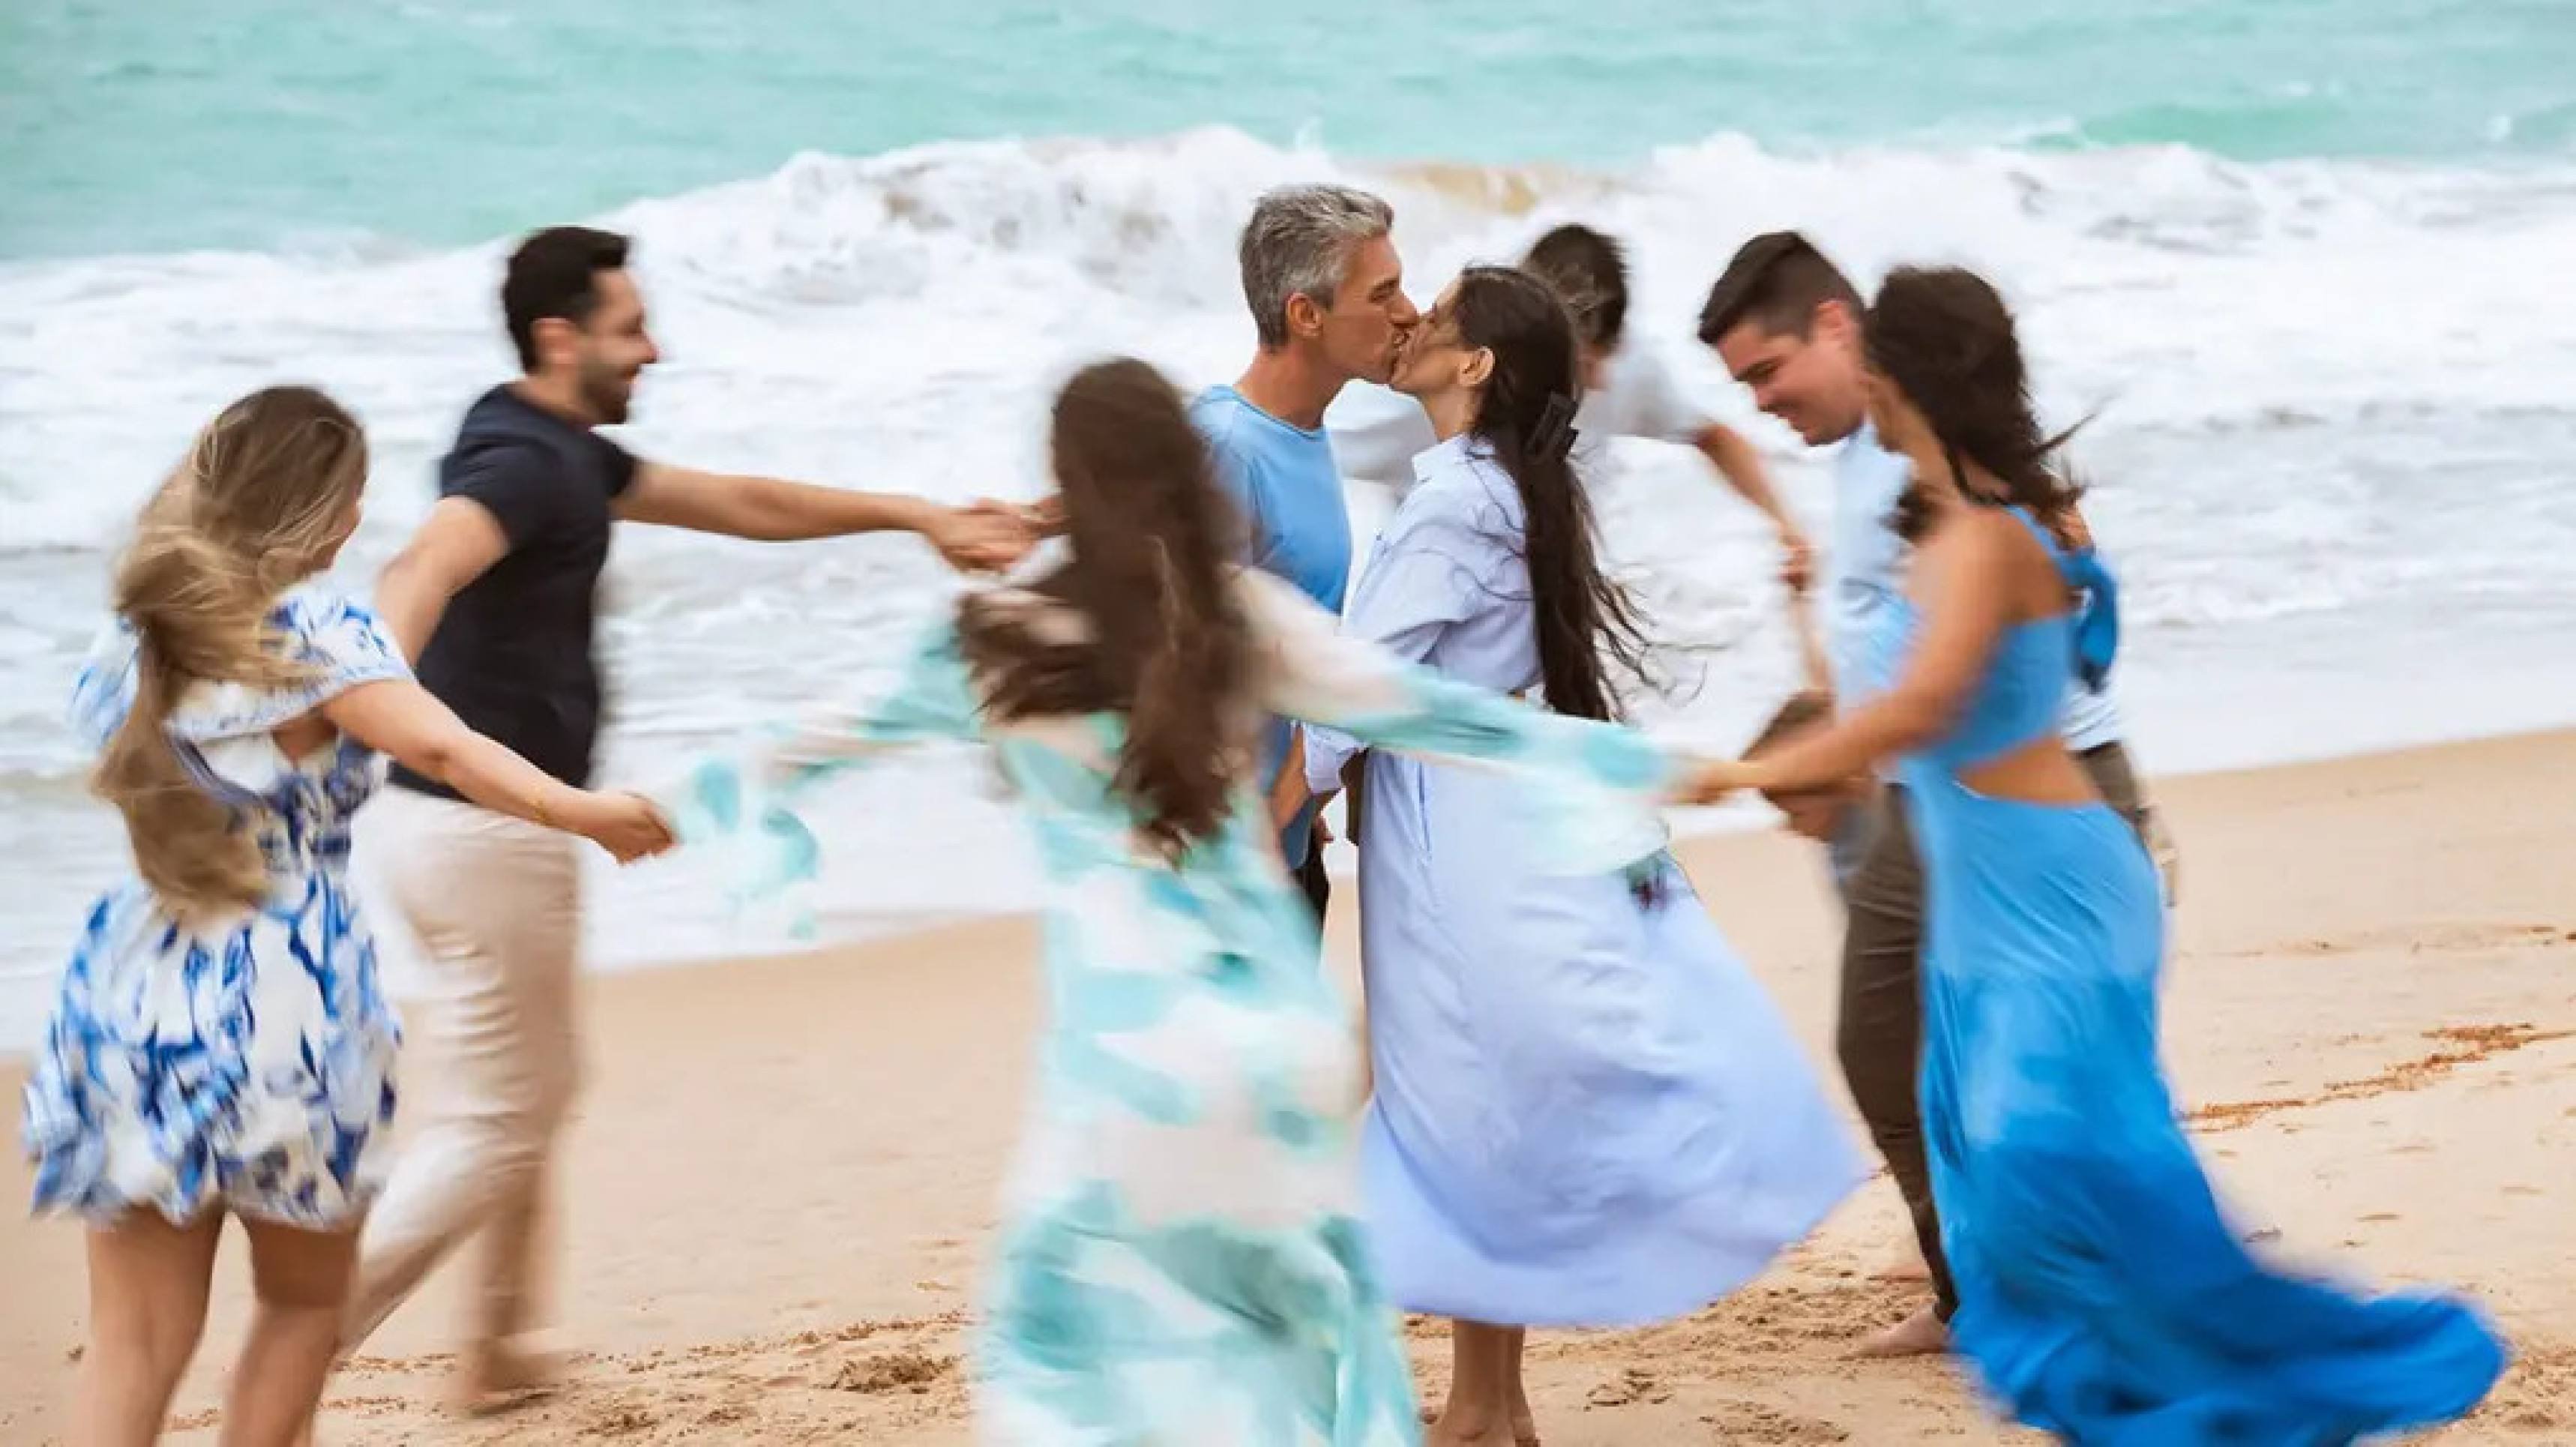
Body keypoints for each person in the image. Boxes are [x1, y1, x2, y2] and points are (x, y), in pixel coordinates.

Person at [651, 358, 1705, 1446]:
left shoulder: (996, 634)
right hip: (1277, 1049)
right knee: (1286, 1373)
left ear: (1067, 482)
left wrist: (644, 811)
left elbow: (808, 745)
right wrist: (1651, 767)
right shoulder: (1243, 615)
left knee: (1067, 1371)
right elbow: (1437, 711)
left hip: (1131, 1067)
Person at [1682, 267, 2504, 1441]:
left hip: (2053, 885)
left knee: (2044, 1148)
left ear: (1892, 372)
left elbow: (1918, 710)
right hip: (1982, 893)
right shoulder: (1948, 520)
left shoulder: (1986, 538)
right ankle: (2132, 1385)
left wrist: (1744, 774)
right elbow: (1893, 702)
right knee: (2007, 1172)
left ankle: (2246, 1363)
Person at [343, 225, 1035, 1403]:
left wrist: (917, 515)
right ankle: (306, 1334)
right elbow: (415, 571)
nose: (653, 350)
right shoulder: (524, 468)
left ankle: (497, 1349)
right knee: (506, 1116)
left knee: (522, 1092)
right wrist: (387, 697)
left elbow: (742, 501)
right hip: (488, 830)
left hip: (453, 830)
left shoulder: (544, 439)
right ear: (560, 339)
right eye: (630, 329)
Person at [18, 387, 668, 1447]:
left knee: (133, 1340)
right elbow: (446, 747)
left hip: (133, 987)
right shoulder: (320, 627)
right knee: (303, 1307)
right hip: (287, 993)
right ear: (336, 514)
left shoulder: (131, 640)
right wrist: (585, 810)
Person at [1285, 266, 1861, 1447]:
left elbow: (1358, 690)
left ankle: (1482, 1406)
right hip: (1495, 809)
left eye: (1431, 317)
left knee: (1453, 1094)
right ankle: (1489, 1403)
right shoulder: (1510, 485)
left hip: (1455, 827)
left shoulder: (1453, 503)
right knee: (1470, 1095)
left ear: (1475, 366)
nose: (1408, 326)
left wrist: (1279, 809)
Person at [1694, 231, 2164, 1355]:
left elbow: (1955, 676)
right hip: (1922, 801)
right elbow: (1883, 654)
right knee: (1886, 1045)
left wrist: (1754, 770)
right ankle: (1976, 1290)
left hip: (2027, 802)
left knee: (2030, 1072)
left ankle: (2062, 1292)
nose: (1762, 404)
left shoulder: (1949, 478)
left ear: (1843, 332)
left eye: (1768, 372)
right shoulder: (1869, 459)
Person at [1334, 223, 1813, 585]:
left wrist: (1786, 527)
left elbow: (1713, 437)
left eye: (1602, 361)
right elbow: (1292, 458)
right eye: (1580, 366)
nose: (1597, 383)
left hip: (1552, 609)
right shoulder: (1419, 384)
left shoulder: (1624, 365)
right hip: (1437, 602)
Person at [1193, 184, 1420, 926]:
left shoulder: (1302, 431)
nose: (1408, 313)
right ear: (1306, 314)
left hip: (1285, 843)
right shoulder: (1227, 447)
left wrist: (1297, 797)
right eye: (1382, 293)